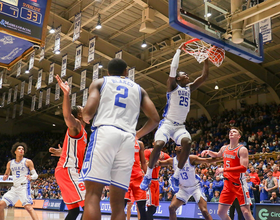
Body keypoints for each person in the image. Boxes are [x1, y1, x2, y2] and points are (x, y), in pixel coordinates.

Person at [80, 58, 160, 220]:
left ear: (108, 72)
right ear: (126, 72)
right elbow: (155, 119)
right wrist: (137, 134)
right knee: (118, 203)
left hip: (105, 133)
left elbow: (88, 112)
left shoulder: (100, 82)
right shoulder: (139, 89)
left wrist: (86, 117)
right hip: (128, 140)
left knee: (93, 194)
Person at [140, 43, 209, 193]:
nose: (188, 76)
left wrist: (205, 59)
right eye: (185, 75)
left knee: (188, 142)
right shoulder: (172, 87)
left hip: (180, 126)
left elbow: (204, 77)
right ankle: (148, 175)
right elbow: (172, 69)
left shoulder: (189, 88)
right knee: (158, 144)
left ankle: (176, 176)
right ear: (178, 78)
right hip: (167, 123)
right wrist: (178, 51)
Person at [49, 75, 87, 220]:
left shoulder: (83, 132)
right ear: (79, 115)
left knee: (74, 211)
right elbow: (66, 116)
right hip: (69, 170)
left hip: (67, 169)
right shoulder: (76, 125)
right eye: (84, 109)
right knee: (89, 204)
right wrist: (66, 94)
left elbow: (73, 148)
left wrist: (62, 151)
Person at [201, 127, 254, 220]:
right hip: (227, 184)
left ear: (239, 136)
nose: (231, 133)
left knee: (246, 212)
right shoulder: (224, 148)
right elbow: (217, 155)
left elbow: (243, 168)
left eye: (234, 132)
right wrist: (209, 152)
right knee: (221, 213)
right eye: (230, 132)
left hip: (239, 184)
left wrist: (224, 169)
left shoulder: (242, 149)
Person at [158, 145, 222, 220]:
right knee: (171, 208)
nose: (181, 146)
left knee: (204, 211)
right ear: (175, 148)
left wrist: (223, 158)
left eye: (183, 145)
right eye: (179, 145)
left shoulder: (190, 158)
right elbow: (159, 163)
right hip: (183, 189)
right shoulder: (172, 160)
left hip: (195, 187)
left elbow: (207, 160)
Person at [0, 142, 39, 220]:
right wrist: (5, 176)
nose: (21, 150)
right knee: (1, 205)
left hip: (24, 187)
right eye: (19, 149)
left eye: (23, 149)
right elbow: (6, 174)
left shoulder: (28, 161)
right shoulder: (10, 163)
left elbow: (36, 175)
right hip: (14, 188)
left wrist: (31, 177)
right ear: (15, 151)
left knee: (28, 207)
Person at [144, 148, 170, 220]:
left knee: (154, 208)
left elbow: (171, 160)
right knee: (150, 207)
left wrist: (161, 162)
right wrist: (153, 161)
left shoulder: (161, 154)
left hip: (156, 181)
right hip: (149, 181)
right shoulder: (147, 152)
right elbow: (143, 164)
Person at [124, 140, 147, 220]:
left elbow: (143, 162)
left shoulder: (140, 143)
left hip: (138, 178)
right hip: (124, 178)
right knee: (120, 207)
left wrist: (148, 177)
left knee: (142, 208)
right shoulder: (120, 139)